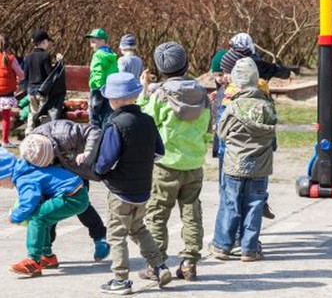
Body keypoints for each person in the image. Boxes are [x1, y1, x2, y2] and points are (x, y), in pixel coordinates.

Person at [92, 72, 171, 294]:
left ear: (114, 100)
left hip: (120, 191)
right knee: (138, 228)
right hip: (143, 189)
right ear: (135, 96)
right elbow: (159, 152)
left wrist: (97, 171)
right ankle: (158, 265)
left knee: (117, 234)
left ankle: (120, 279)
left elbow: (106, 160)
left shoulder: (115, 123)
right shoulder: (147, 120)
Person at [138, 42, 211, 282]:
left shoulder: (159, 94)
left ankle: (157, 263)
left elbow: (145, 121)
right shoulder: (201, 93)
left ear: (160, 68)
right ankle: (190, 261)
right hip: (194, 163)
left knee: (158, 214)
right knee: (192, 212)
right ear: (186, 64)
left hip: (165, 164)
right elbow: (208, 125)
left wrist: (144, 89)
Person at [210, 57, 277, 262]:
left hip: (234, 164)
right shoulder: (267, 106)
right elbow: (272, 133)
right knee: (255, 205)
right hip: (260, 166)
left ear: (236, 83)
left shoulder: (232, 107)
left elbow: (221, 133)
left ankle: (222, 245)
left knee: (230, 203)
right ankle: (249, 248)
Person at [25, 121, 110, 262]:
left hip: (76, 168)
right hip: (54, 174)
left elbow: (94, 131)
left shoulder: (65, 133)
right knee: (49, 209)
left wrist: (87, 152)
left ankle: (100, 238)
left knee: (81, 206)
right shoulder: (30, 146)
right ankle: (47, 251)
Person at [2, 141, 89, 277]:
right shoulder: (25, 169)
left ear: (5, 173)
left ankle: (33, 261)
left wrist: (15, 216)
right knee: (43, 218)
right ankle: (47, 257)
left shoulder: (24, 179)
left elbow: (28, 203)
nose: (1, 186)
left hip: (71, 197)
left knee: (38, 218)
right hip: (76, 193)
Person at [24, 29, 61, 133]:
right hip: (43, 91)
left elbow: (26, 75)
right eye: (47, 42)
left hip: (31, 90)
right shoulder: (45, 55)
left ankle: (29, 131)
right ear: (44, 42)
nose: (48, 44)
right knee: (44, 114)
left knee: (33, 112)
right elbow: (50, 74)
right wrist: (58, 63)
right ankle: (43, 133)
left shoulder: (28, 57)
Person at [85, 28, 118, 128]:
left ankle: (94, 136)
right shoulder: (111, 54)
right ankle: (105, 134)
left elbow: (97, 71)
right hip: (110, 88)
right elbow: (115, 71)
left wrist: (98, 85)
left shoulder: (98, 55)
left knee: (94, 115)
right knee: (107, 114)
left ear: (102, 41)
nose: (91, 45)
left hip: (98, 88)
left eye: (93, 42)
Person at [0, 34, 24, 148]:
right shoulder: (11, 59)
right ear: (8, 46)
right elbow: (21, 75)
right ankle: (4, 141)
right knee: (6, 118)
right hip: (7, 93)